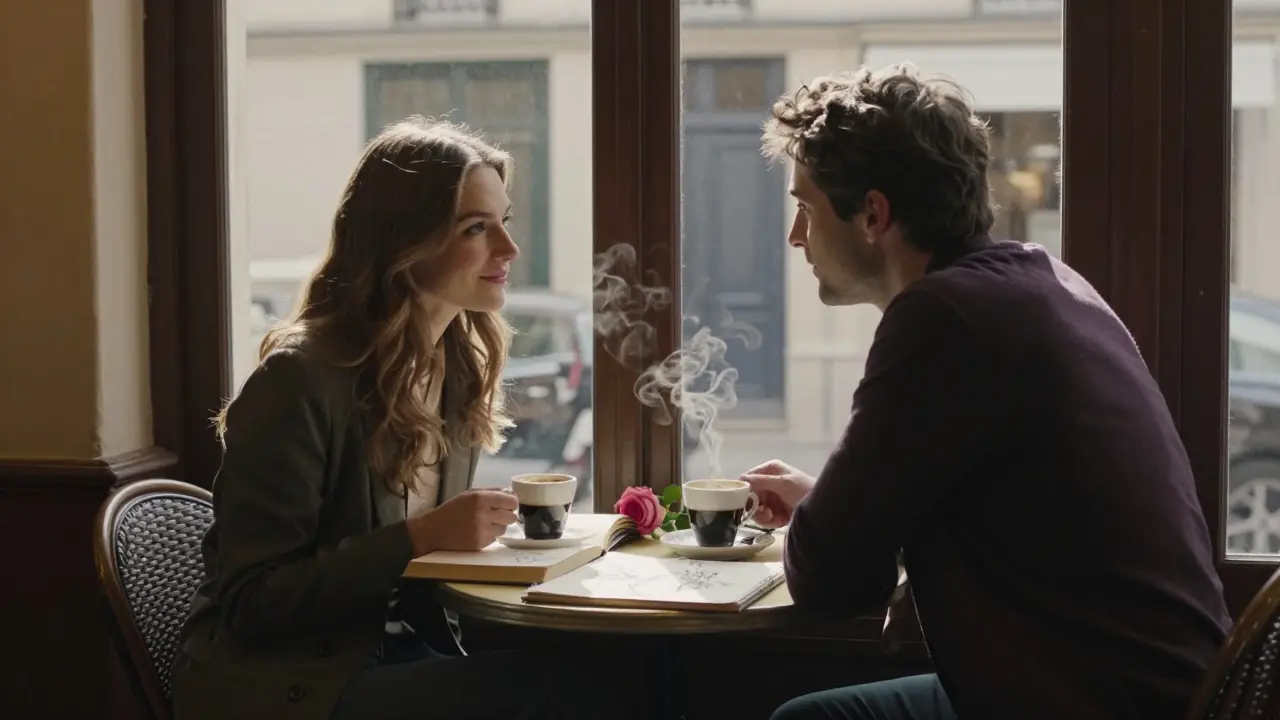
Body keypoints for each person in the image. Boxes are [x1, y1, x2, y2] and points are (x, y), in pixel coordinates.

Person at [741, 65, 1232, 720]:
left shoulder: (943, 320)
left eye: (805, 207)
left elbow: (834, 582)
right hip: (1162, 692)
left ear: (872, 214)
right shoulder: (1040, 282)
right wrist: (828, 505)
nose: (796, 236)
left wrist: (826, 520)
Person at [171, 118, 649, 720]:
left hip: (397, 652)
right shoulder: (298, 382)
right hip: (288, 683)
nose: (509, 249)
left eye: (505, 221)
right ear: (404, 243)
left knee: (625, 668)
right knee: (571, 695)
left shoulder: (456, 368)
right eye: (478, 228)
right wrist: (421, 538)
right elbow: (252, 602)